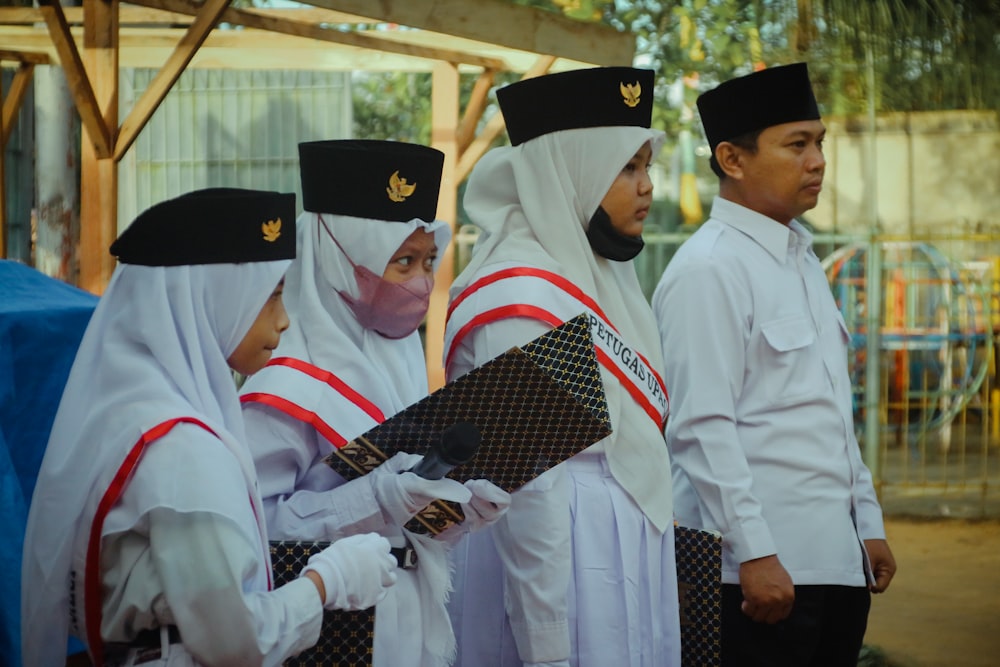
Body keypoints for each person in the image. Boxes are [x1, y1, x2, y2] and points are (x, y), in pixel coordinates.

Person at [21, 188, 398, 667]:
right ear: (206, 299)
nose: (283, 321)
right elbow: (235, 642)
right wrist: (326, 582)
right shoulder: (182, 448)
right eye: (270, 297)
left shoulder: (134, 411)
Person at [651, 62, 897, 666]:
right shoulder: (710, 268)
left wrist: (866, 521)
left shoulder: (801, 258)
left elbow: (831, 414)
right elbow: (701, 427)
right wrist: (753, 551)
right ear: (732, 159)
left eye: (819, 143)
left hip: (832, 563)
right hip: (751, 578)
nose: (816, 161)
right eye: (797, 145)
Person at [442, 67, 681, 667]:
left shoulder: (597, 275)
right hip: (556, 571)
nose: (647, 186)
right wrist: (547, 646)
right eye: (626, 168)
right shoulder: (520, 294)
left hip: (610, 558)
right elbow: (529, 489)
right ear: (568, 172)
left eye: (647, 165)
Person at [239, 140, 511, 667]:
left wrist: (459, 510)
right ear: (341, 262)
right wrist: (380, 498)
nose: (421, 283)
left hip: (411, 621)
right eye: (401, 262)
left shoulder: (402, 361)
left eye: (429, 261)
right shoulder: (280, 388)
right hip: (330, 630)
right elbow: (258, 532)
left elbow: (403, 521)